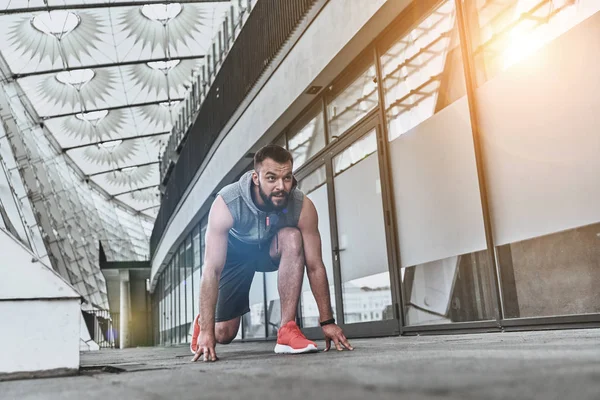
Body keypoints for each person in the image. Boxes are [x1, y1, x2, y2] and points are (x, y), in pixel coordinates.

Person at [191, 144, 353, 362]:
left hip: (271, 249)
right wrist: (206, 331)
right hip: (236, 256)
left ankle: (287, 330)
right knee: (224, 334)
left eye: (287, 178)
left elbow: (315, 265)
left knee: (292, 237)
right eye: (271, 178)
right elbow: (212, 270)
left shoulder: (301, 206)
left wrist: (327, 321)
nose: (281, 186)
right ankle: (203, 321)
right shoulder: (228, 202)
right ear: (256, 178)